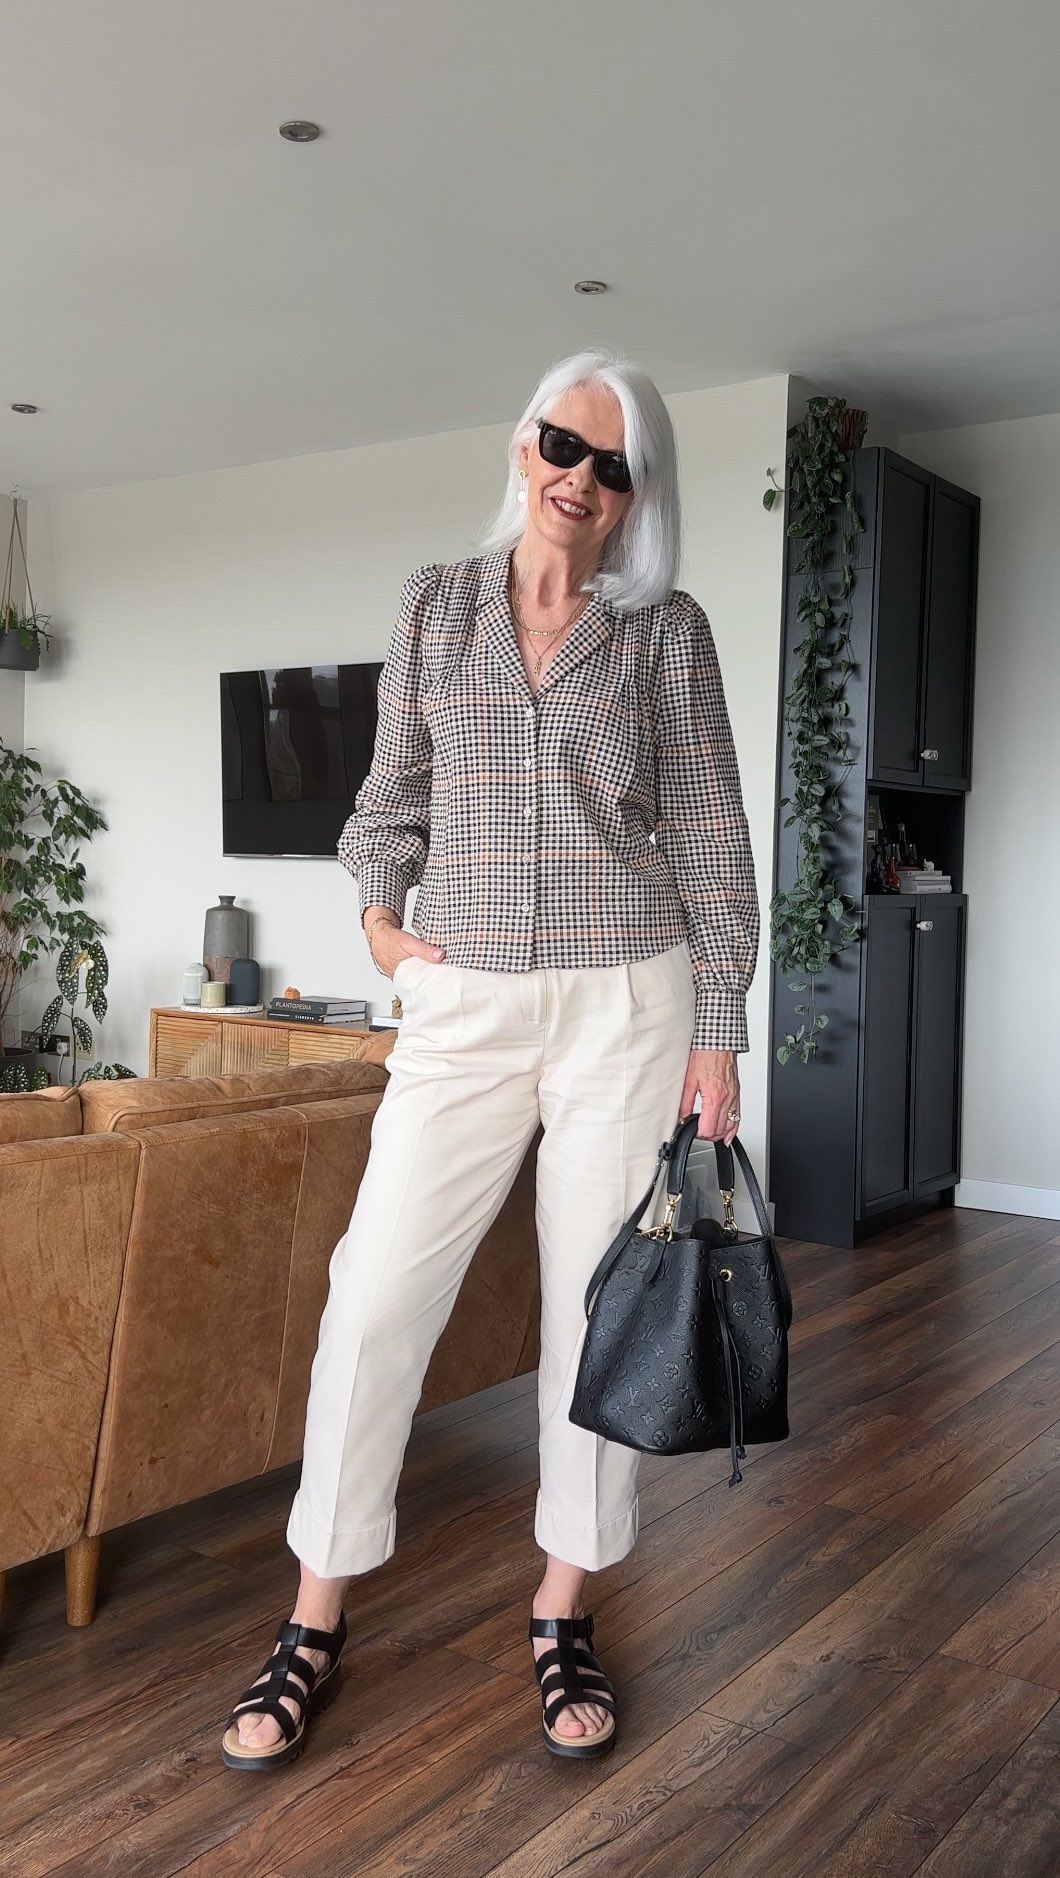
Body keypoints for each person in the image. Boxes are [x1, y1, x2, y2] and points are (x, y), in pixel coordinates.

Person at [221, 348, 759, 1770]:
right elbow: (386, 797)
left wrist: (720, 1030)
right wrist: (387, 937)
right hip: (461, 1007)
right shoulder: (437, 604)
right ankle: (315, 1614)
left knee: (598, 1317)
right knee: (372, 1295)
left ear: (637, 495)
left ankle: (562, 1603)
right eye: (562, 446)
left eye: (614, 465)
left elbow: (713, 833)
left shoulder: (667, 632)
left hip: (624, 1007)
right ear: (523, 449)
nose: (581, 478)